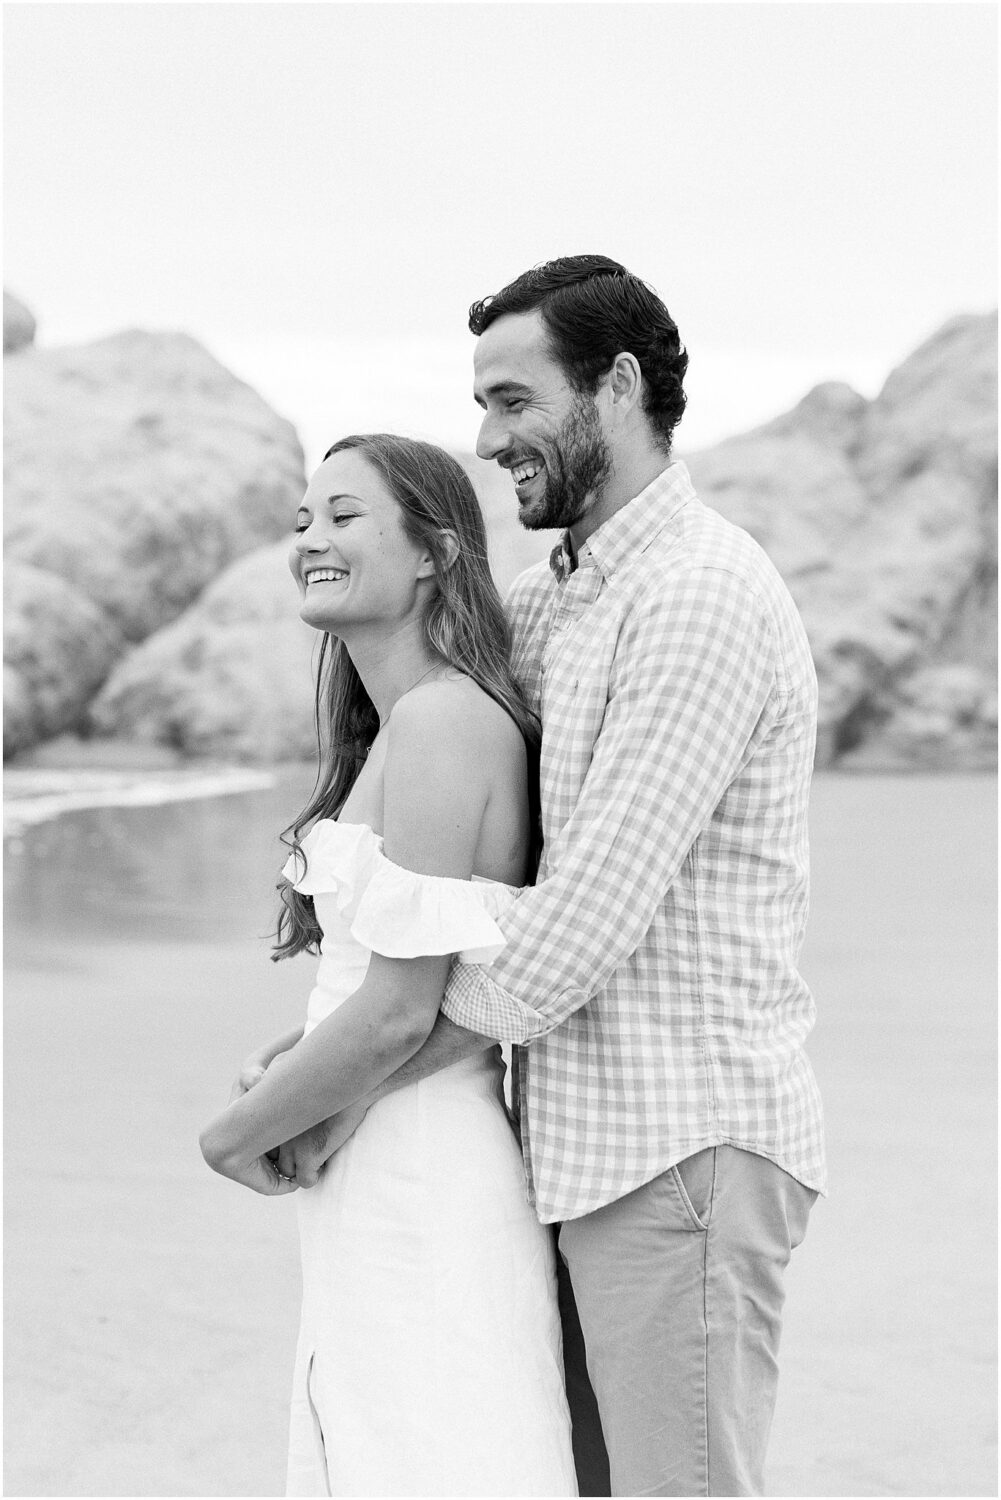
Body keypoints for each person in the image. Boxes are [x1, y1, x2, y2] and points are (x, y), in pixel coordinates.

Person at [287, 256, 828, 1498]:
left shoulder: (697, 593)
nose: (489, 439)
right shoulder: (549, 605)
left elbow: (575, 931)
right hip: (561, 1151)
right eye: (482, 407)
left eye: (515, 401)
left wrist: (341, 1082)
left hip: (679, 1145)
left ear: (617, 385)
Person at [199, 433, 577, 1498]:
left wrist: (233, 1133)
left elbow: (401, 1014)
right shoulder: (400, 729)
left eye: (344, 516)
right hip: (377, 1150)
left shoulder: (446, 722)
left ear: (434, 551)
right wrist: (289, 1062)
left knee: (428, 1455)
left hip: (418, 1160)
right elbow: (380, 990)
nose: (310, 539)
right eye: (302, 520)